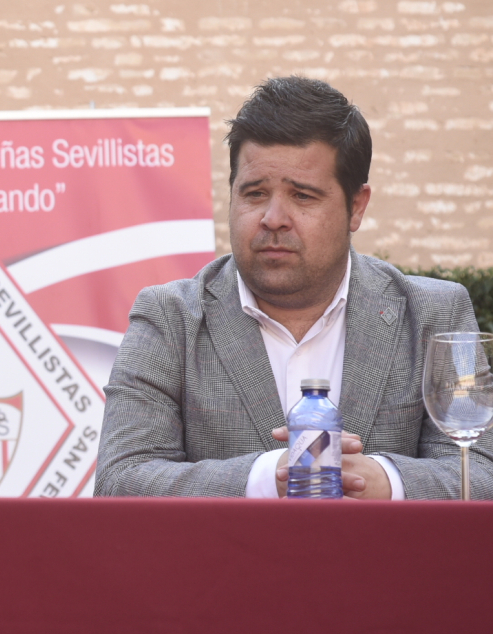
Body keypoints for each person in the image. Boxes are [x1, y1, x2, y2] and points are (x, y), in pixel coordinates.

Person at [95, 76, 493, 499]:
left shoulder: (436, 313)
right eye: (254, 193)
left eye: (302, 196)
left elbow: (481, 472)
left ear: (356, 207)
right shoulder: (169, 319)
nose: (273, 218)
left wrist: (385, 481)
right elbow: (121, 480)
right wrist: (271, 476)